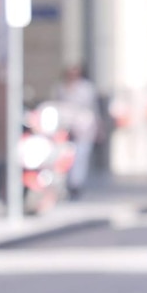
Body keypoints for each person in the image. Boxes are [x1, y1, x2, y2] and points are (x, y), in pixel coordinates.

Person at [55, 64, 99, 199]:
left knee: (80, 156)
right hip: (66, 125)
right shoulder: (61, 87)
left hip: (83, 126)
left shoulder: (86, 88)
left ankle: (76, 184)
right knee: (65, 154)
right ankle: (65, 183)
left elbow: (92, 107)